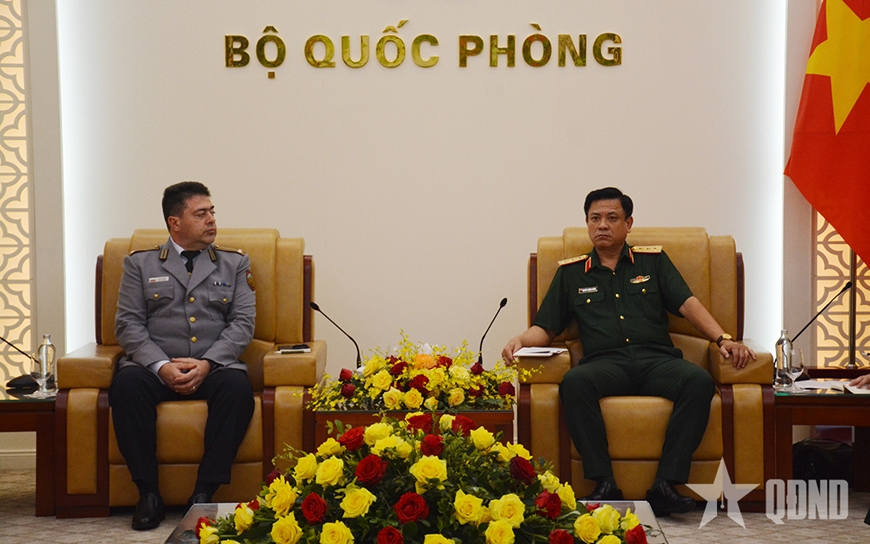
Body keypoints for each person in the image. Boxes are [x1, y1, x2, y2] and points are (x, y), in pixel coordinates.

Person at [502, 187, 756, 516]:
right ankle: (604, 483)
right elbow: (546, 327)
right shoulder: (571, 273)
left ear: (628, 223)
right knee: (575, 382)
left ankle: (665, 485)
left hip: (656, 361)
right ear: (587, 223)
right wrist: (520, 340)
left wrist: (723, 339)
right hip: (605, 365)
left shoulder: (653, 261)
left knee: (698, 381)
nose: (602, 225)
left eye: (612, 218)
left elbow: (687, 304)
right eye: (595, 218)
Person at [109, 181, 256, 530]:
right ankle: (148, 494)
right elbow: (128, 324)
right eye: (201, 214)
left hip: (213, 365)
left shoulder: (234, 263)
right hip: (155, 367)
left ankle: (203, 494)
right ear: (175, 223)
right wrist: (161, 366)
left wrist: (207, 363)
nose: (211, 220)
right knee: (126, 386)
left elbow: (243, 323)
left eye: (212, 212)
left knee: (238, 389)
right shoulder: (140, 264)